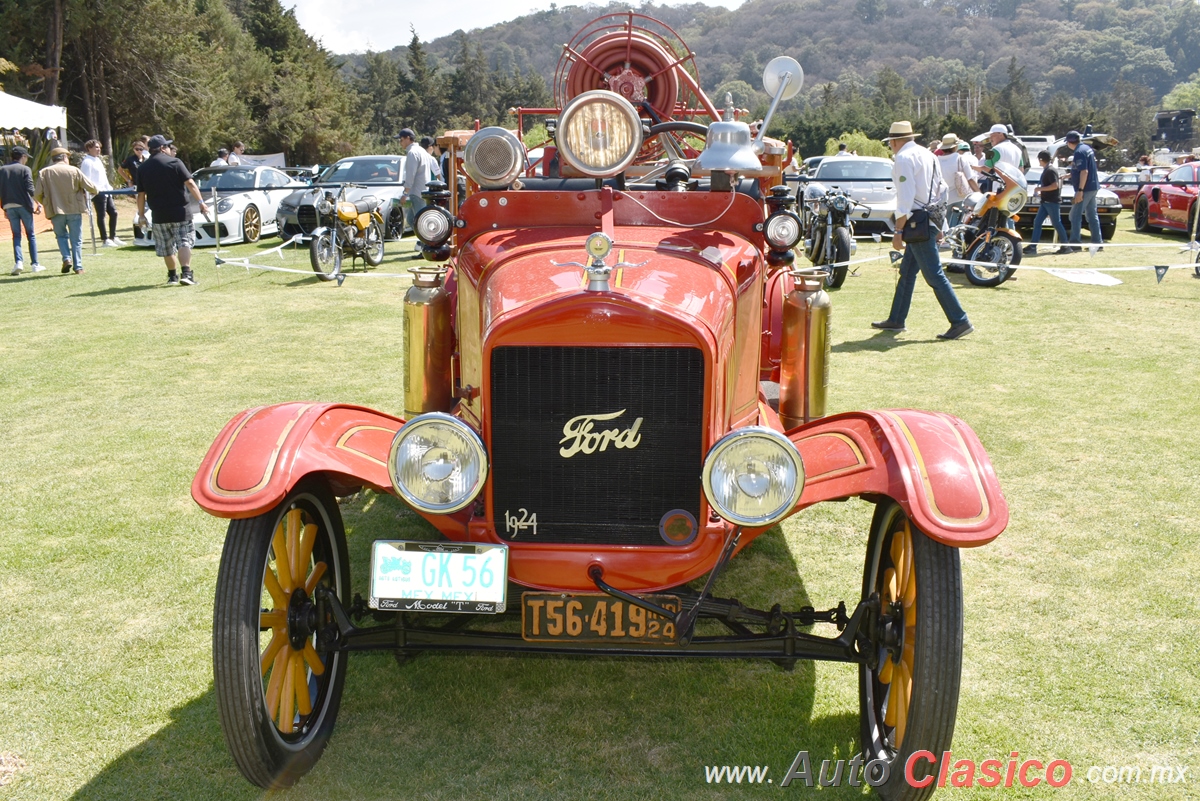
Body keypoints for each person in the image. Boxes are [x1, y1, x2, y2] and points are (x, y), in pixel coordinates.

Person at [872, 121, 972, 341]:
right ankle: (896, 319)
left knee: (934, 274)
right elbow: (942, 190)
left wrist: (898, 231)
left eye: (891, 143)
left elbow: (905, 197)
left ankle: (959, 320)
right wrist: (938, 223)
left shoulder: (903, 158)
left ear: (895, 142)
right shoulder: (929, 155)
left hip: (916, 221)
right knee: (907, 273)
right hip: (930, 218)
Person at [136, 134, 210, 286]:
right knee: (184, 242)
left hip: (158, 213)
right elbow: (190, 183)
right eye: (168, 146)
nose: (170, 149)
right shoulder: (175, 162)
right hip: (180, 211)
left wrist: (142, 214)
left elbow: (141, 194)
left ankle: (172, 277)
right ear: (162, 148)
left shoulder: (143, 168)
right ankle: (187, 274)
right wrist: (201, 202)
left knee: (166, 246)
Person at [34, 147, 98, 274]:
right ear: (64, 157)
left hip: (55, 210)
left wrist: (46, 203)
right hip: (74, 208)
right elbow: (92, 187)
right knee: (76, 239)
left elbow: (37, 194)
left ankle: (66, 258)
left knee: (61, 236)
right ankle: (78, 266)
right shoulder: (74, 170)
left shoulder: (44, 172)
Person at [1, 146, 45, 275]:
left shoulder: (2, 170)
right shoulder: (25, 169)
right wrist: (38, 203)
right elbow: (30, 188)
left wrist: (3, 206)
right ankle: (35, 264)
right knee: (30, 235)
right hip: (24, 205)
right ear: (23, 156)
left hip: (9, 205)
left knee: (16, 235)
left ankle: (18, 262)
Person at [1022, 150, 1069, 256]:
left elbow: (1054, 185)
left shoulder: (1050, 170)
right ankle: (1033, 246)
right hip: (1045, 201)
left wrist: (1039, 189)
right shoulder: (1048, 169)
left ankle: (1066, 246)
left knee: (1056, 223)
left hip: (1051, 201)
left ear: (1041, 159)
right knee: (1037, 222)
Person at [81, 139, 123, 247]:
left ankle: (113, 237)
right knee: (102, 215)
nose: (98, 149)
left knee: (113, 213)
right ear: (89, 149)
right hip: (97, 192)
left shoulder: (98, 160)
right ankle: (105, 239)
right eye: (96, 147)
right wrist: (90, 192)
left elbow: (103, 177)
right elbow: (86, 179)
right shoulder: (87, 162)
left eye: (99, 147)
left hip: (106, 191)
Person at [1064, 130, 1102, 251]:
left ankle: (1075, 244)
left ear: (1070, 142)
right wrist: (1069, 175)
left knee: (1074, 215)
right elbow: (1082, 169)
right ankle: (1098, 243)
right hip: (1093, 186)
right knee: (1092, 215)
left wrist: (1080, 190)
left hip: (1085, 188)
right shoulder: (1086, 148)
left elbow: (1084, 171)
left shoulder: (1079, 152)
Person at [937, 133, 976, 228]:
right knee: (959, 227)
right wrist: (979, 193)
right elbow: (970, 178)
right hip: (960, 197)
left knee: (945, 227)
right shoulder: (960, 158)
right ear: (955, 146)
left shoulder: (936, 160)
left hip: (942, 199)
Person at [399, 128, 436, 226]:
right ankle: (423, 241)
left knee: (421, 223)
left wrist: (405, 193)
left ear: (408, 138)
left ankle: (428, 241)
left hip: (416, 192)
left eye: (401, 140)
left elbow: (410, 174)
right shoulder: (421, 150)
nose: (400, 143)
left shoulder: (412, 153)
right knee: (412, 220)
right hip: (423, 190)